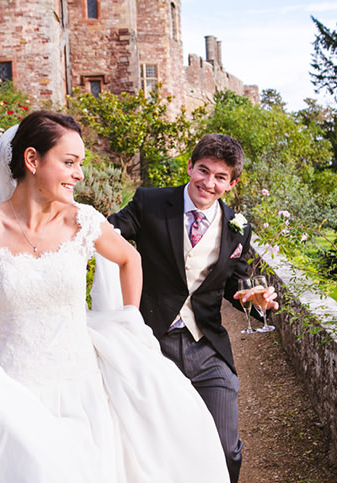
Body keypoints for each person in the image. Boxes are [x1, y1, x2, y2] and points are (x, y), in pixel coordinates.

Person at [0, 111, 229, 482]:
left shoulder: (83, 221)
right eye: (70, 162)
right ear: (32, 160)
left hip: (85, 391)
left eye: (81, 164)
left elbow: (130, 258)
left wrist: (128, 319)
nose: (79, 174)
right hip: (16, 391)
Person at [108, 133, 279, 483]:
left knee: (224, 446)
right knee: (158, 447)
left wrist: (254, 301)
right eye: (203, 171)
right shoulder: (150, 203)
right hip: (152, 343)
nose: (209, 183)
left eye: (220, 177)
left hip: (207, 346)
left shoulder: (239, 227)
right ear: (190, 166)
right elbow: (109, 232)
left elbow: (234, 281)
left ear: (232, 183)